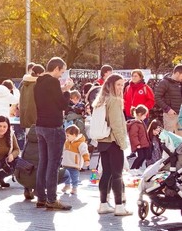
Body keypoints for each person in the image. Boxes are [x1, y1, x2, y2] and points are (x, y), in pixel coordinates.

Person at [34, 56, 73, 211]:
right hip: (53, 127)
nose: (61, 76)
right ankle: (51, 199)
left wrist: (62, 90)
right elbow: (62, 104)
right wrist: (68, 91)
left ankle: (41, 198)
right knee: (53, 164)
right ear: (56, 68)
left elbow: (51, 98)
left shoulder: (39, 82)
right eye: (61, 72)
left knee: (43, 162)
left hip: (40, 125)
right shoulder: (53, 82)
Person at [91, 74, 131, 216]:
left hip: (103, 141)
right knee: (117, 174)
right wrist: (123, 143)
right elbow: (116, 124)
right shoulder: (114, 100)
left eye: (122, 84)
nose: (121, 87)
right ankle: (119, 206)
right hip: (113, 141)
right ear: (111, 85)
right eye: (118, 84)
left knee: (106, 173)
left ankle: (103, 204)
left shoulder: (101, 100)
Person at [154, 64, 182, 134]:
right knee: (170, 139)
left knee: (180, 139)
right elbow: (157, 97)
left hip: (180, 115)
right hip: (170, 116)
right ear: (178, 73)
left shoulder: (180, 84)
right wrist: (168, 109)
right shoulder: (164, 82)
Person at [61, 125, 90, 195]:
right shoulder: (67, 142)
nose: (66, 137)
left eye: (68, 135)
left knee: (74, 176)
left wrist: (86, 160)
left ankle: (74, 187)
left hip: (74, 164)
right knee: (65, 175)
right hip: (66, 162)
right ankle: (67, 185)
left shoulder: (81, 143)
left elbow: (84, 152)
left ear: (74, 135)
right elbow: (62, 150)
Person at [127, 104, 151, 171]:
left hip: (142, 144)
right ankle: (133, 169)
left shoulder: (141, 122)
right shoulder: (135, 124)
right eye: (144, 115)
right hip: (139, 145)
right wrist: (137, 144)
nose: (145, 116)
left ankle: (137, 168)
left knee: (143, 157)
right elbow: (133, 135)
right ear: (140, 114)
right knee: (141, 156)